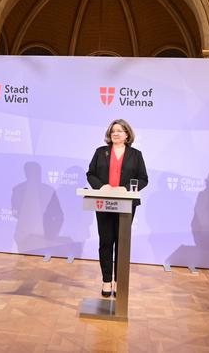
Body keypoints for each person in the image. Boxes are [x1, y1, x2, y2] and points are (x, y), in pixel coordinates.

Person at [87, 119, 148, 297]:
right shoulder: (100, 152)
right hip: (104, 202)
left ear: (127, 134)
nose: (116, 133)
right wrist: (101, 186)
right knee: (106, 242)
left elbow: (143, 179)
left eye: (120, 131)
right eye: (113, 131)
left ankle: (119, 282)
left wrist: (126, 188)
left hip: (126, 204)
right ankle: (106, 281)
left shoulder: (136, 155)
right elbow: (90, 174)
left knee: (121, 244)